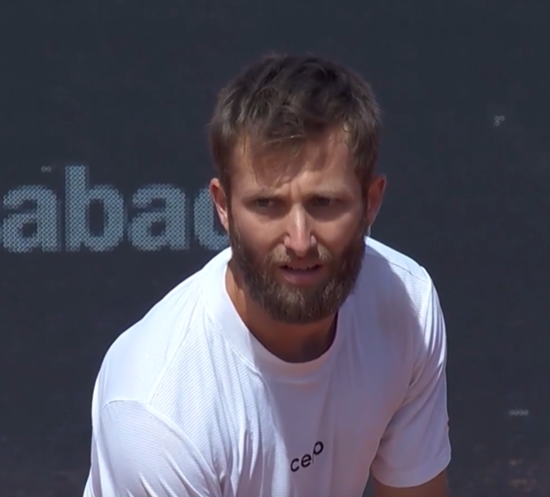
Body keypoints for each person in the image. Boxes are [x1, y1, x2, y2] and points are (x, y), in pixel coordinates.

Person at [83, 53, 451, 497]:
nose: (298, 240)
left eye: (324, 203)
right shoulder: (155, 409)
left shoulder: (407, 303)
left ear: (371, 202)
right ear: (222, 205)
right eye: (266, 205)